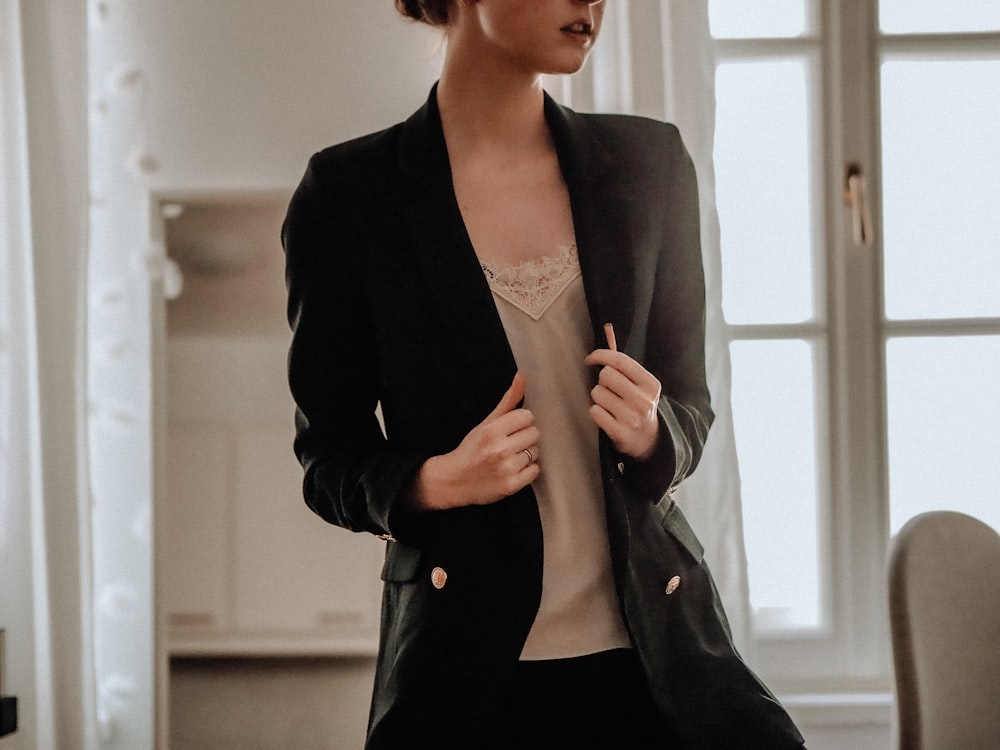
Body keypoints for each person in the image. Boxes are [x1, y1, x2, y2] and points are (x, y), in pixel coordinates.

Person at [282, 1, 806, 747]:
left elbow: (690, 403)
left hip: (657, 658)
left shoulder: (651, 165)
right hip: (467, 674)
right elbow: (327, 457)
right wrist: (436, 480)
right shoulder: (348, 196)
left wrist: (656, 431)